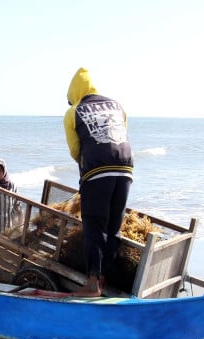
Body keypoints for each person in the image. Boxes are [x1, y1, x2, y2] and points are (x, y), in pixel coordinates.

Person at [63, 67, 134, 297]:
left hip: (97, 172)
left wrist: (87, 168)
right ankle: (104, 279)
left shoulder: (74, 111)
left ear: (74, 92)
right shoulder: (117, 106)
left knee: (94, 226)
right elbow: (122, 135)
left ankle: (92, 284)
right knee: (113, 228)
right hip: (125, 170)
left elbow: (75, 150)